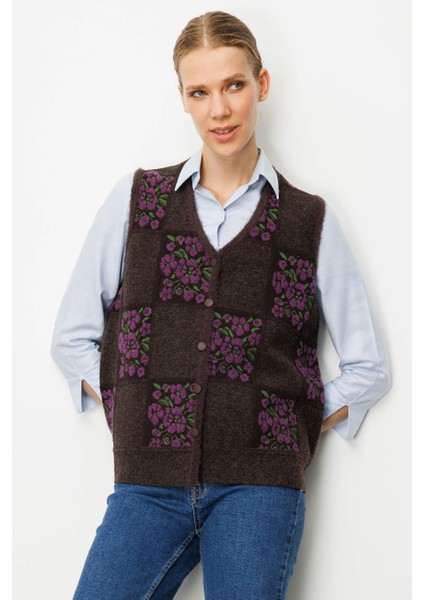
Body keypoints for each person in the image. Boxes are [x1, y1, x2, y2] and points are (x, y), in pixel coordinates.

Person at [50, 10, 391, 600]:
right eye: (199, 92)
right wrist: (133, 407)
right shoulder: (138, 199)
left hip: (259, 490)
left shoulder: (309, 219)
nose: (220, 110)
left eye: (234, 85)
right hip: (147, 485)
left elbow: (368, 368)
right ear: (182, 99)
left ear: (262, 83)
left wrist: (285, 423)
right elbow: (72, 338)